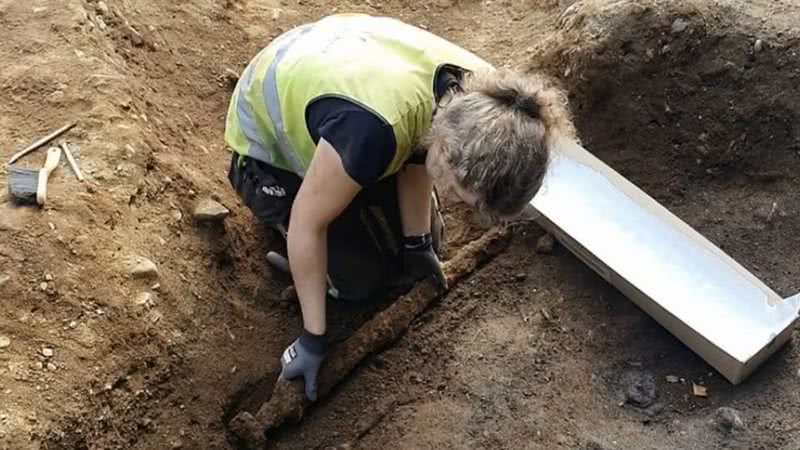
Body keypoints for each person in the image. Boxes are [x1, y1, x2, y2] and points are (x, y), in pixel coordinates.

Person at [224, 13, 576, 402]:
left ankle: (383, 227)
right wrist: (313, 337)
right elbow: (310, 224)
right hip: (266, 143)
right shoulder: (374, 132)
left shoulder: (490, 104)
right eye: (463, 194)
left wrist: (418, 244)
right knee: (357, 280)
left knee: (424, 238)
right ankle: (281, 218)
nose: (461, 205)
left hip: (345, 83)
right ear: (446, 153)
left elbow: (418, 146)